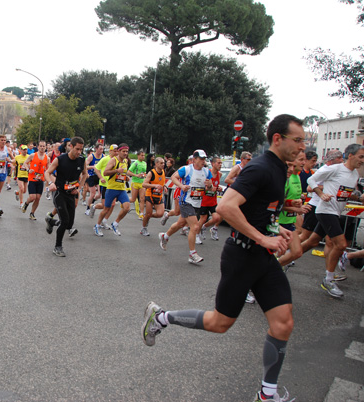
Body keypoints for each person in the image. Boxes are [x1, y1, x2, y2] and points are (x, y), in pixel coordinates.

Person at [142, 114, 305, 402]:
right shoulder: (261, 167)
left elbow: (258, 212)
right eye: (298, 140)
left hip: (263, 258)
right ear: (278, 139)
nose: (302, 147)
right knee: (220, 323)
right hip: (242, 255)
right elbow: (227, 206)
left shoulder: (280, 170)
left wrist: (280, 219)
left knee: (284, 323)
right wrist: (263, 237)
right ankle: (162, 317)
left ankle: (267, 394)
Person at [301, 143, 364, 298]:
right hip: (325, 210)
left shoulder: (355, 175)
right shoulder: (335, 168)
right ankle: (329, 279)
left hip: (335, 212)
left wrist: (359, 197)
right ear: (350, 155)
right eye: (361, 156)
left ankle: (282, 260)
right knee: (341, 244)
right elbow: (311, 181)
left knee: (312, 242)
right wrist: (321, 195)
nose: (363, 160)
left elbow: (346, 194)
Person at [158, 149, 213, 264]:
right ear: (195, 159)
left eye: (204, 159)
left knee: (180, 224)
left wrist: (209, 186)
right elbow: (173, 177)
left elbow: (210, 188)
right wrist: (181, 186)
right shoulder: (187, 169)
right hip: (186, 201)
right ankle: (192, 254)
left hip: (197, 203)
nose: (203, 161)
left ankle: (165, 236)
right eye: (201, 159)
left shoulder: (207, 172)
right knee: (195, 227)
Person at [44, 137, 88, 257]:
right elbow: (47, 173)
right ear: (71, 147)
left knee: (69, 224)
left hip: (71, 193)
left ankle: (51, 221)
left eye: (81, 149)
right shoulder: (60, 159)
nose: (79, 152)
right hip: (59, 192)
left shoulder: (81, 160)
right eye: (77, 149)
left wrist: (79, 189)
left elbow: (85, 175)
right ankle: (58, 247)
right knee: (64, 221)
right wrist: (51, 183)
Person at [94, 143, 137, 236]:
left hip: (121, 189)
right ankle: (97, 226)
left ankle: (115, 223)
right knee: (106, 209)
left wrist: (126, 177)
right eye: (123, 151)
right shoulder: (113, 160)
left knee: (127, 207)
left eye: (127, 151)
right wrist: (117, 170)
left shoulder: (125, 161)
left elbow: (123, 173)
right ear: (118, 151)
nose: (125, 153)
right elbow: (105, 173)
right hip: (111, 189)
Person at [196, 156, 224, 242]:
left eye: (221, 163)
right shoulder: (207, 173)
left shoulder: (219, 174)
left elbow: (215, 186)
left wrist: (218, 188)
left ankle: (204, 227)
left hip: (213, 201)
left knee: (216, 218)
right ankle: (196, 235)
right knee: (203, 218)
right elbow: (203, 186)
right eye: (218, 163)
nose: (220, 165)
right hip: (204, 200)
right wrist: (210, 188)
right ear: (213, 164)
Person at [140, 157, 168, 236]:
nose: (163, 164)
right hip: (150, 194)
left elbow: (161, 182)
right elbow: (144, 184)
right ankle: (144, 228)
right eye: (161, 163)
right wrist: (154, 185)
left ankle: (147, 217)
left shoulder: (163, 171)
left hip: (159, 195)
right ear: (156, 164)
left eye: (163, 163)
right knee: (149, 213)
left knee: (160, 214)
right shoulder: (151, 173)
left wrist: (164, 186)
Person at [22, 140, 49, 220]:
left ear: (46, 147)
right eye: (40, 146)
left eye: (43, 146)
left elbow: (48, 169)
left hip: (40, 180)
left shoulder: (47, 158)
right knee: (32, 197)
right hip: (32, 179)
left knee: (38, 198)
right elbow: (25, 163)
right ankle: (26, 203)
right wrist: (28, 169)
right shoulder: (33, 155)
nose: (42, 147)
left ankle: (32, 213)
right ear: (38, 147)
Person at [84, 143, 104, 215]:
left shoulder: (103, 157)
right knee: (92, 194)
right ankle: (88, 209)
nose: (101, 151)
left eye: (102, 149)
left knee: (99, 195)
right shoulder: (91, 156)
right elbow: (85, 166)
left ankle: (92, 202)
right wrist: (93, 167)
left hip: (99, 177)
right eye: (100, 149)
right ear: (96, 149)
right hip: (91, 176)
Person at [129, 151, 147, 219]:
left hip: (142, 182)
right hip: (135, 182)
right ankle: (124, 201)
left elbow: (145, 172)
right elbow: (129, 172)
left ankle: (141, 213)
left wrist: (144, 175)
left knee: (142, 199)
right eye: (142, 155)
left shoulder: (145, 163)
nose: (143, 157)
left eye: (144, 155)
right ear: (138, 156)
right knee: (133, 199)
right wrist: (136, 175)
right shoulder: (135, 163)